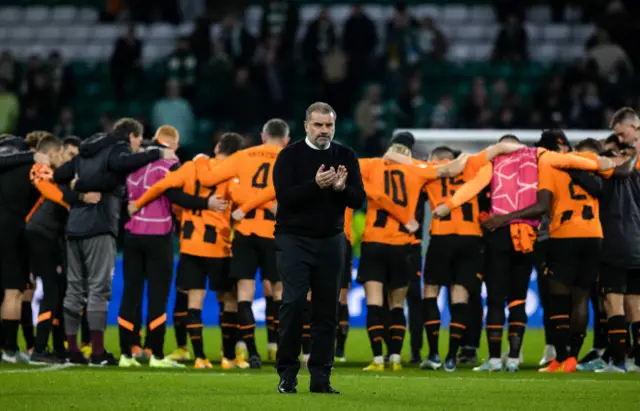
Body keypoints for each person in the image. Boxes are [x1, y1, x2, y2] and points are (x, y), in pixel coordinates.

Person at [433, 131, 615, 371]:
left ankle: (495, 359)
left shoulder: (494, 162)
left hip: (500, 234)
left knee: (496, 299)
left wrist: (448, 205)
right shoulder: (540, 156)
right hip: (527, 235)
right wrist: (603, 163)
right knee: (518, 299)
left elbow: (474, 185)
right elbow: (573, 161)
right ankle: (516, 358)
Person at [52, 118, 176, 366]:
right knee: (99, 289)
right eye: (138, 139)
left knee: (74, 290)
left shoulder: (88, 149)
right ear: (131, 135)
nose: (138, 144)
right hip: (99, 226)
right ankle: (97, 352)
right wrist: (158, 151)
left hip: (73, 227)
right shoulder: (116, 148)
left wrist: (78, 191)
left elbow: (58, 174)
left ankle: (73, 350)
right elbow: (122, 163)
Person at [129, 132, 245, 369]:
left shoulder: (190, 167)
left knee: (193, 301)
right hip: (219, 246)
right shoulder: (231, 174)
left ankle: (199, 357)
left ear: (217, 147)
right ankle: (228, 356)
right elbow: (243, 199)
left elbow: (161, 186)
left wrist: (137, 204)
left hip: (190, 245)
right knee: (229, 300)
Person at [273, 102, 365, 394]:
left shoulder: (346, 155)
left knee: (327, 310)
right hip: (294, 239)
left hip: (332, 240)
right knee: (294, 303)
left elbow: (358, 199)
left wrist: (341, 189)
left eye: (329, 125)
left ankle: (321, 378)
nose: (324, 130)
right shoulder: (289, 156)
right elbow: (285, 198)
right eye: (318, 125)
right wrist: (315, 185)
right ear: (306, 126)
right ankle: (287, 373)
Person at [118, 125, 212, 369]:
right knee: (158, 295)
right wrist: (206, 203)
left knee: (131, 294)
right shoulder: (170, 163)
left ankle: (126, 353)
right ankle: (155, 353)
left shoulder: (135, 162)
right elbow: (175, 197)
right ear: (173, 144)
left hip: (132, 234)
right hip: (158, 235)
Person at [26, 135, 100, 363]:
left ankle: (57, 346)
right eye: (67, 155)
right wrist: (79, 198)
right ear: (57, 153)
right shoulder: (47, 174)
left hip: (48, 235)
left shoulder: (65, 178)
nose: (69, 161)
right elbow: (55, 196)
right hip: (42, 233)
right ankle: (39, 348)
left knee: (59, 290)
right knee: (52, 290)